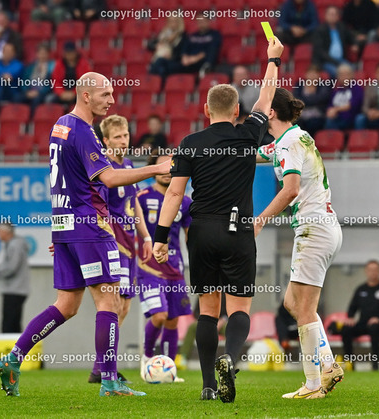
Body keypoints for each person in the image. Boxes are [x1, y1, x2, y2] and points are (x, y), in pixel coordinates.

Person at [0, 72, 171, 398]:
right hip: (91, 226)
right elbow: (111, 178)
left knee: (67, 304)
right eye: (105, 94)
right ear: (86, 95)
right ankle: (109, 381)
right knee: (109, 300)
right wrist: (157, 169)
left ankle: (13, 358)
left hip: (65, 226)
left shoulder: (59, 125)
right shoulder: (85, 131)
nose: (112, 99)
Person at [152, 38, 284, 403]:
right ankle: (232, 357)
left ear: (206, 111)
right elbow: (266, 100)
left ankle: (208, 385)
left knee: (208, 311)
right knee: (239, 307)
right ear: (237, 109)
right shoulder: (247, 136)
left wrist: (161, 237)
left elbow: (175, 195)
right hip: (238, 228)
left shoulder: (190, 143)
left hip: (201, 232)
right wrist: (273, 60)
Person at [255, 87, 343, 399]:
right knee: (293, 304)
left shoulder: (290, 143)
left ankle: (313, 384)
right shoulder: (294, 137)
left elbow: (290, 189)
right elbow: (257, 154)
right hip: (322, 226)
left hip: (313, 228)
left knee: (305, 308)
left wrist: (261, 218)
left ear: (270, 113)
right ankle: (329, 365)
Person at [85, 114, 153, 384]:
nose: (123, 141)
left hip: (130, 244)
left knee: (123, 307)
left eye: (125, 136)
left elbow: (133, 203)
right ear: (105, 140)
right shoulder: (103, 171)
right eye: (117, 137)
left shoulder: (127, 165)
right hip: (112, 244)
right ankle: (103, 368)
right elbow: (93, 206)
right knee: (112, 305)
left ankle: (99, 366)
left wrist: (145, 237)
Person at [136, 154, 192, 381]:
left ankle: (170, 369)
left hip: (175, 268)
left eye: (173, 167)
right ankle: (147, 359)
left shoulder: (185, 202)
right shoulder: (141, 197)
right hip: (148, 268)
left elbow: (190, 236)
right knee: (159, 316)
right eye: (164, 167)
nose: (168, 171)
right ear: (153, 169)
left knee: (173, 319)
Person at [339, 260, 379, 371]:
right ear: (366, 271)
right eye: (370, 270)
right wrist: (350, 317)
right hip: (363, 324)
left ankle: (375, 365)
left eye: (375, 270)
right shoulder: (361, 289)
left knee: (374, 328)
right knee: (346, 329)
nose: (372, 273)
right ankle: (349, 363)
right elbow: (352, 307)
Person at [0, 222, 30, 333]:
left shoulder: (15, 245)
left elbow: (11, 267)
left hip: (14, 290)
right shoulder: (15, 244)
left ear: (6, 232)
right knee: (13, 323)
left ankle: (11, 349)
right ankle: (16, 348)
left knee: (9, 325)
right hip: (16, 290)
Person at [312, 6, 356, 78]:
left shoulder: (342, 27)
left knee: (352, 70)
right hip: (325, 61)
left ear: (338, 17)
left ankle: (350, 89)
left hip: (341, 60)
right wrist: (336, 62)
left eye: (334, 14)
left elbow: (351, 37)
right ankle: (337, 89)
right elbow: (320, 52)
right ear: (325, 16)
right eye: (330, 14)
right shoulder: (319, 30)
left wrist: (355, 44)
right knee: (337, 72)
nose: (332, 16)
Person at [292, 65, 331, 136]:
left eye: (315, 73)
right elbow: (295, 99)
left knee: (313, 123)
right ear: (306, 75)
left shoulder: (323, 86)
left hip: (317, 115)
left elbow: (322, 99)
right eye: (310, 73)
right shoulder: (299, 86)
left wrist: (304, 102)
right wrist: (311, 101)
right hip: (301, 114)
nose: (312, 76)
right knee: (295, 122)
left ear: (319, 76)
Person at [50, 41, 91, 106]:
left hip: (79, 92)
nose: (69, 55)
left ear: (75, 52)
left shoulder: (83, 64)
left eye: (71, 52)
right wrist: (61, 93)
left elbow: (85, 82)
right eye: (67, 53)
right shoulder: (59, 64)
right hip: (63, 92)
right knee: (50, 100)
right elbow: (56, 81)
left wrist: (74, 93)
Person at [324, 64, 363, 130]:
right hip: (336, 117)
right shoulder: (336, 89)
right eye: (341, 75)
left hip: (350, 117)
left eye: (346, 74)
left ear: (352, 75)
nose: (344, 77)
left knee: (330, 122)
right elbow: (330, 104)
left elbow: (353, 104)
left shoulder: (356, 88)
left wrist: (336, 110)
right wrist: (329, 111)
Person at [16, 43, 54, 109]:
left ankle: (33, 118)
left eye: (44, 53)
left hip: (42, 93)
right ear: (37, 54)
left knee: (36, 100)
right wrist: (27, 92)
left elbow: (51, 84)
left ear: (48, 54)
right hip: (29, 91)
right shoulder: (30, 67)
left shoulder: (52, 67)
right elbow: (24, 81)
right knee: (17, 98)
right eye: (40, 53)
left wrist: (38, 92)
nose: (42, 56)